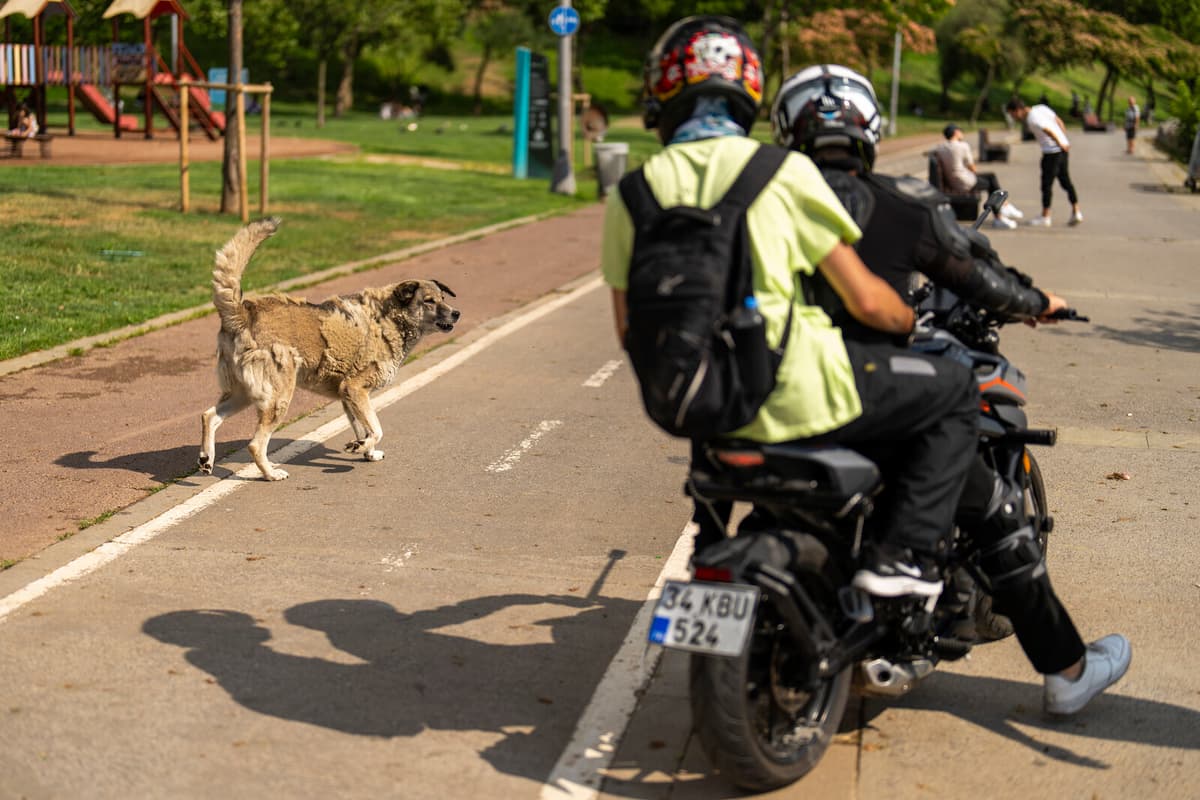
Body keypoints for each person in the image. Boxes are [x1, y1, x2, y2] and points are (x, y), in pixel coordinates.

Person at [772, 63, 1131, 716]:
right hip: (869, 395)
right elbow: (976, 277)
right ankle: (1066, 670)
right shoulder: (900, 206)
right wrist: (1037, 301)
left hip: (767, 404)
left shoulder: (758, 205)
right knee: (990, 499)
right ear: (870, 129)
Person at [602, 15, 980, 602]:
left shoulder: (632, 191)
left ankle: (711, 542)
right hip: (799, 392)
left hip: (689, 404)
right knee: (955, 390)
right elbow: (865, 299)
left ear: (664, 93)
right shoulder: (782, 171)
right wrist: (908, 320)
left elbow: (628, 328)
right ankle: (901, 557)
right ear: (747, 93)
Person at [1007, 97, 1082, 227]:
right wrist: (1064, 140)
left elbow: (1047, 129)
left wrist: (1059, 142)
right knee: (1066, 181)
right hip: (1062, 150)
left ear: (1018, 110)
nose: (1013, 117)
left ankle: (1045, 216)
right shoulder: (1041, 108)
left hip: (1051, 152)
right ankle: (1076, 211)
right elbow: (1058, 121)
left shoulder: (1032, 119)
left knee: (1046, 185)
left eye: (1013, 114)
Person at [935, 123, 1024, 229]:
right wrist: (975, 174)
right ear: (956, 132)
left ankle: (1004, 206)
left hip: (953, 180)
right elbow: (972, 167)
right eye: (960, 131)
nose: (962, 133)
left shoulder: (941, 147)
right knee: (990, 183)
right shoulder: (962, 146)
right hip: (963, 181)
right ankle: (1000, 214)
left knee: (990, 176)